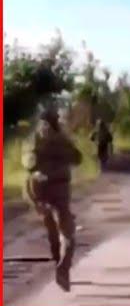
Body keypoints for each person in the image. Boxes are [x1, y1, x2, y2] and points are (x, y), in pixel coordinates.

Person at [22, 106, 83, 291]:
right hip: (59, 187)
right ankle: (62, 268)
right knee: (67, 233)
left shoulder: (35, 138)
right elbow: (77, 158)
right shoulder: (62, 138)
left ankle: (59, 263)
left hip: (41, 188)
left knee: (51, 228)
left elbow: (29, 163)